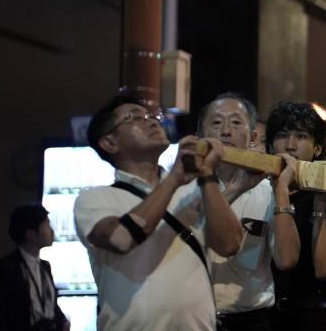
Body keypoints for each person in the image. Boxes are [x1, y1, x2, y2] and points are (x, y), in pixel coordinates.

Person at [74, 93, 244, 330]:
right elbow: (122, 238)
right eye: (135, 118)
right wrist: (174, 178)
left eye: (152, 116)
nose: (152, 121)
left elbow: (229, 244)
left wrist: (207, 174)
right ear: (109, 143)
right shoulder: (95, 198)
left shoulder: (194, 190)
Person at [199, 93, 300, 331]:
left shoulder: (267, 191)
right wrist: (236, 189)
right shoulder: (184, 188)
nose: (225, 131)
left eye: (236, 122)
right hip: (195, 318)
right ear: (200, 135)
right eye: (216, 123)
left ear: (253, 136)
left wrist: (281, 189)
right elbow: (182, 238)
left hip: (251, 321)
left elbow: (286, 260)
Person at [264, 102, 326, 330]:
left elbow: (323, 269)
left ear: (317, 148)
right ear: (270, 145)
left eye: (301, 136)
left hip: (317, 315)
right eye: (282, 136)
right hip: (266, 316)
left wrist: (320, 205)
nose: (290, 145)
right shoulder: (258, 192)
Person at [0, 204, 68, 331]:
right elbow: (0, 315)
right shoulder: (5, 269)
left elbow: (50, 305)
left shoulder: (45, 266)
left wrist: (63, 321)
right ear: (30, 234)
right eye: (47, 225)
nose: (51, 230)